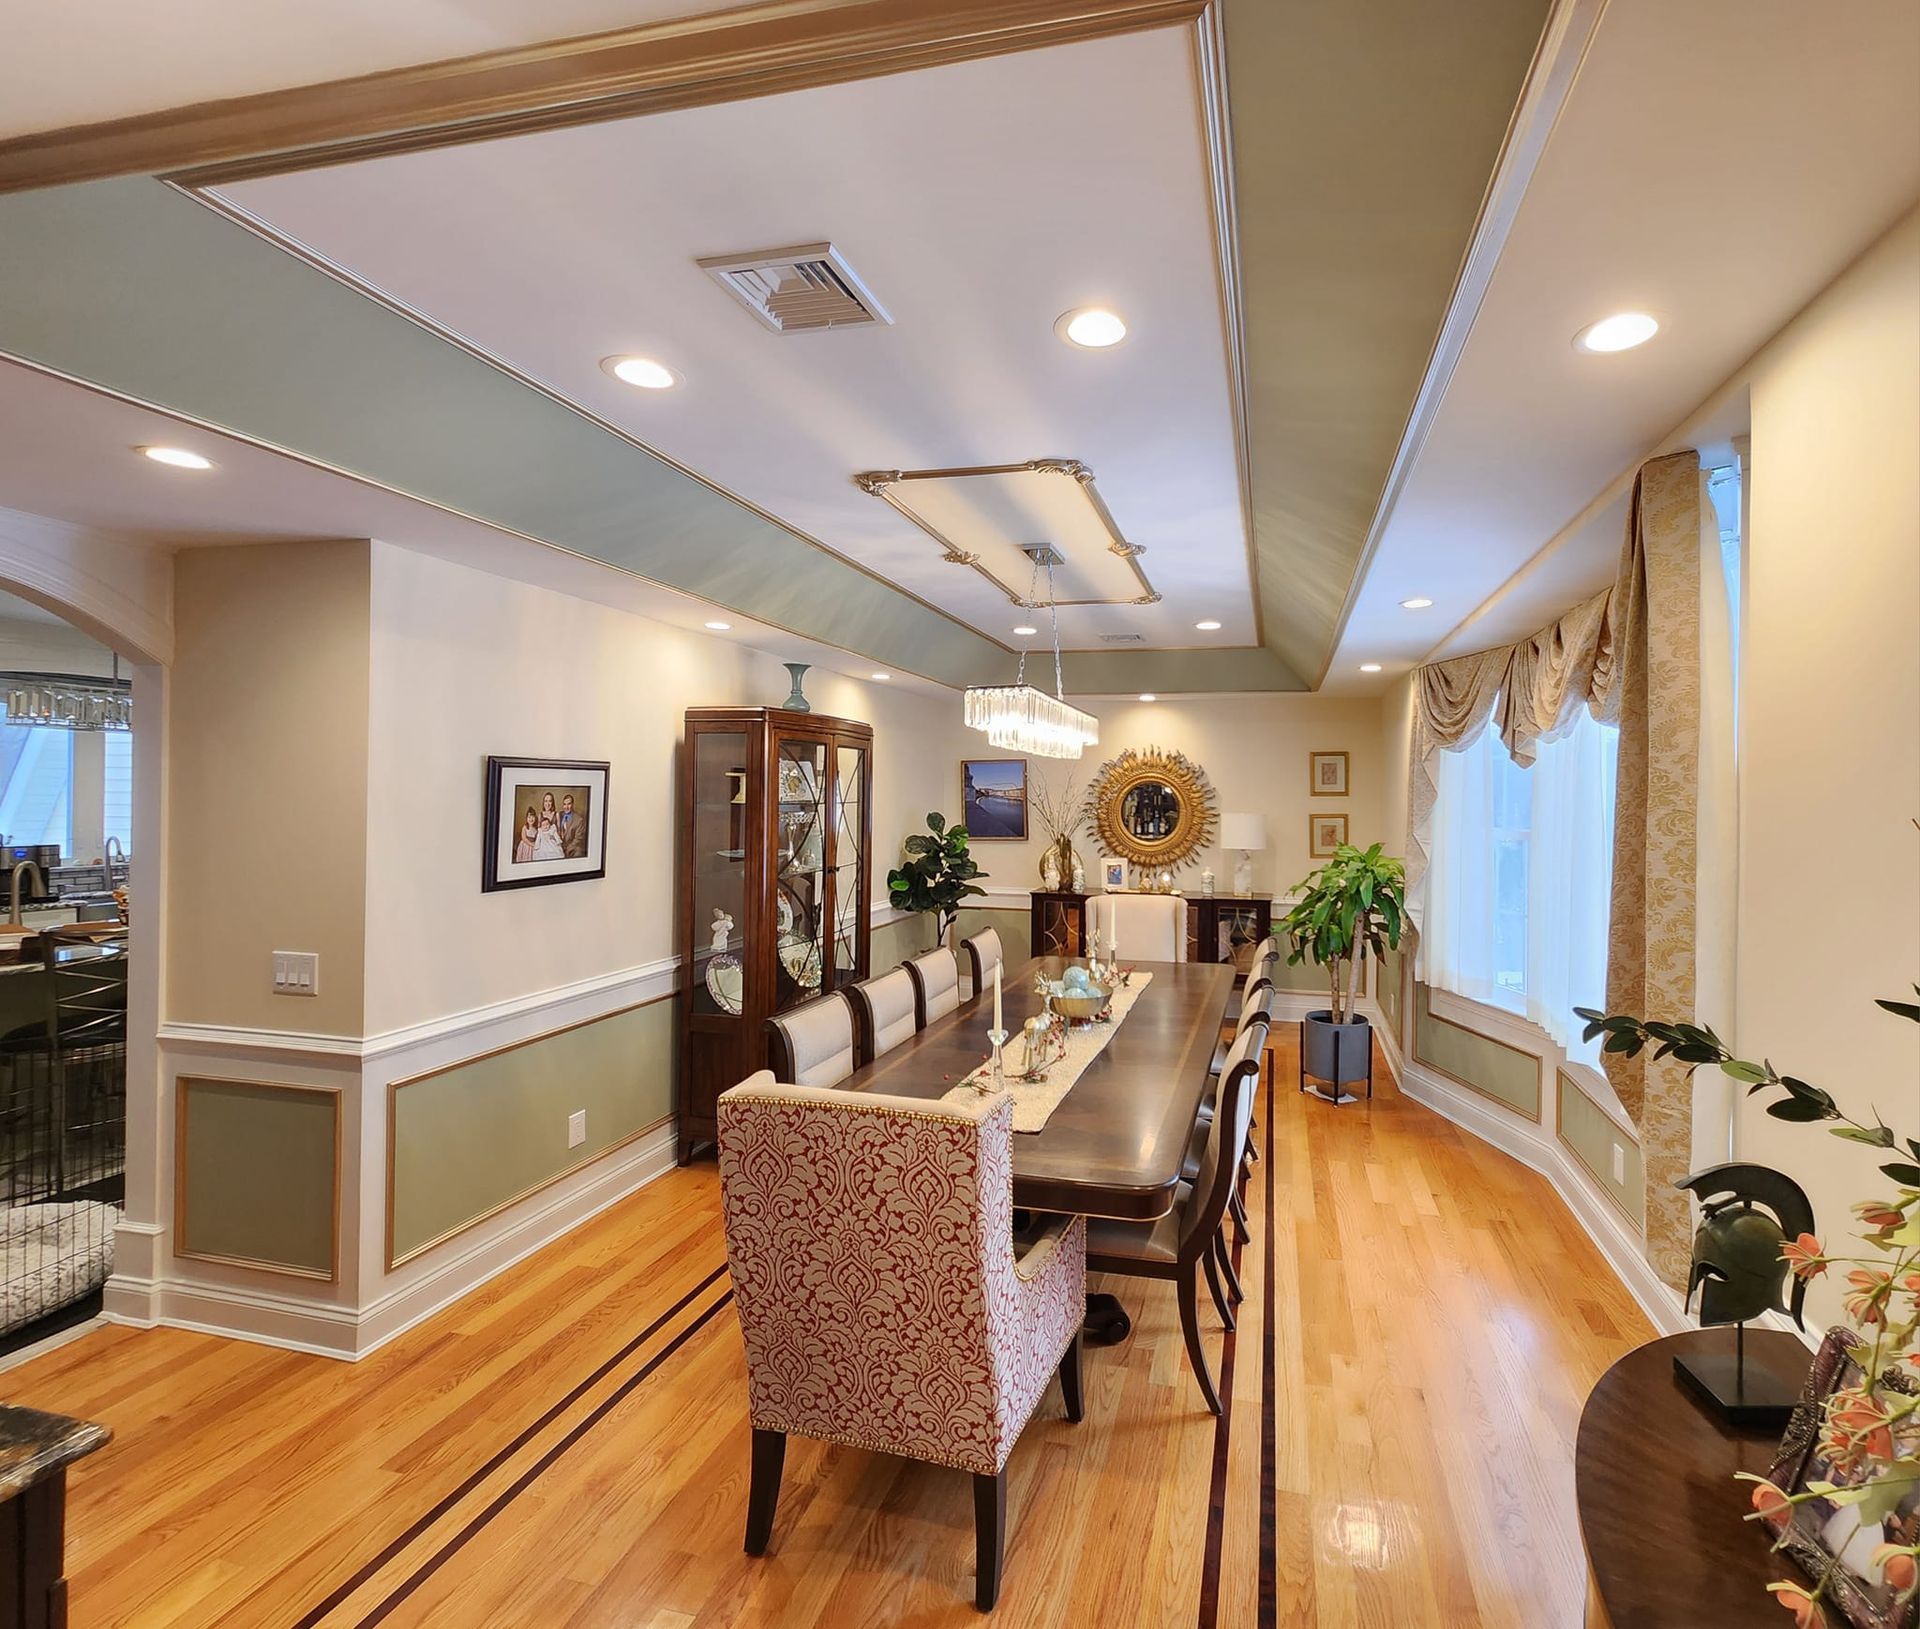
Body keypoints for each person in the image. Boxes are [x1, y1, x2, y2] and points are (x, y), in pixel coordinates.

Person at [532, 791, 566, 862]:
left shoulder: (556, 814)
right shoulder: (540, 815)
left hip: (553, 842)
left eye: (550, 801)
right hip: (543, 844)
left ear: (552, 803)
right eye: (546, 801)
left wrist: (554, 838)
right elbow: (539, 831)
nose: (547, 804)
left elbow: (559, 830)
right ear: (543, 803)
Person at [558, 792, 587, 860]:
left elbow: (578, 839)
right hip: (559, 846)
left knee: (578, 852)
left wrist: (567, 849)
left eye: (569, 804)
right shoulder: (559, 815)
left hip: (571, 848)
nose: (566, 807)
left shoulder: (579, 820)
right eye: (564, 804)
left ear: (573, 804)